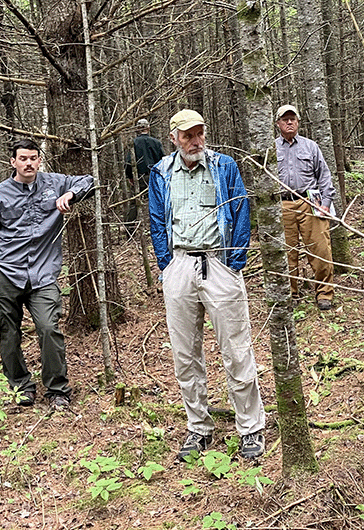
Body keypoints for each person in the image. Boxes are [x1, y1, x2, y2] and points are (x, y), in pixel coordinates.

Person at [148, 109, 266, 461]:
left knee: (236, 349)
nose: (195, 140)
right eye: (187, 135)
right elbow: (156, 219)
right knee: (185, 355)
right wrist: (167, 266)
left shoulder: (224, 166)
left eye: (199, 133)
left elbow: (241, 210)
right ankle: (198, 427)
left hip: (219, 261)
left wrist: (234, 263)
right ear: (174, 138)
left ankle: (250, 427)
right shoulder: (161, 172)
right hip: (180, 264)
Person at [0, 138, 94, 410]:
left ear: (39, 159)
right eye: (23, 159)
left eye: (33, 158)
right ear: (13, 162)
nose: (29, 163)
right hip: (6, 273)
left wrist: (70, 195)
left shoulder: (54, 183)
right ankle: (21, 387)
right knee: (8, 333)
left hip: (42, 275)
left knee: (49, 328)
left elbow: (88, 180)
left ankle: (57, 390)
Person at [275, 104, 336, 310]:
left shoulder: (311, 147)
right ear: (278, 124)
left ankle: (324, 293)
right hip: (282, 204)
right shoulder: (272, 148)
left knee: (320, 249)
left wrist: (325, 203)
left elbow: (324, 175)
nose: (289, 122)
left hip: (310, 202)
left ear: (298, 122)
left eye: (293, 118)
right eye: (285, 119)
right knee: (286, 253)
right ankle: (290, 294)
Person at [124, 118, 165, 233]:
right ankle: (161, 228)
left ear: (137, 129)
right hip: (154, 177)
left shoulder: (134, 143)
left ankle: (129, 230)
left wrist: (130, 177)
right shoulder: (156, 143)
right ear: (148, 128)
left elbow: (128, 162)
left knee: (134, 204)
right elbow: (163, 161)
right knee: (158, 202)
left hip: (139, 178)